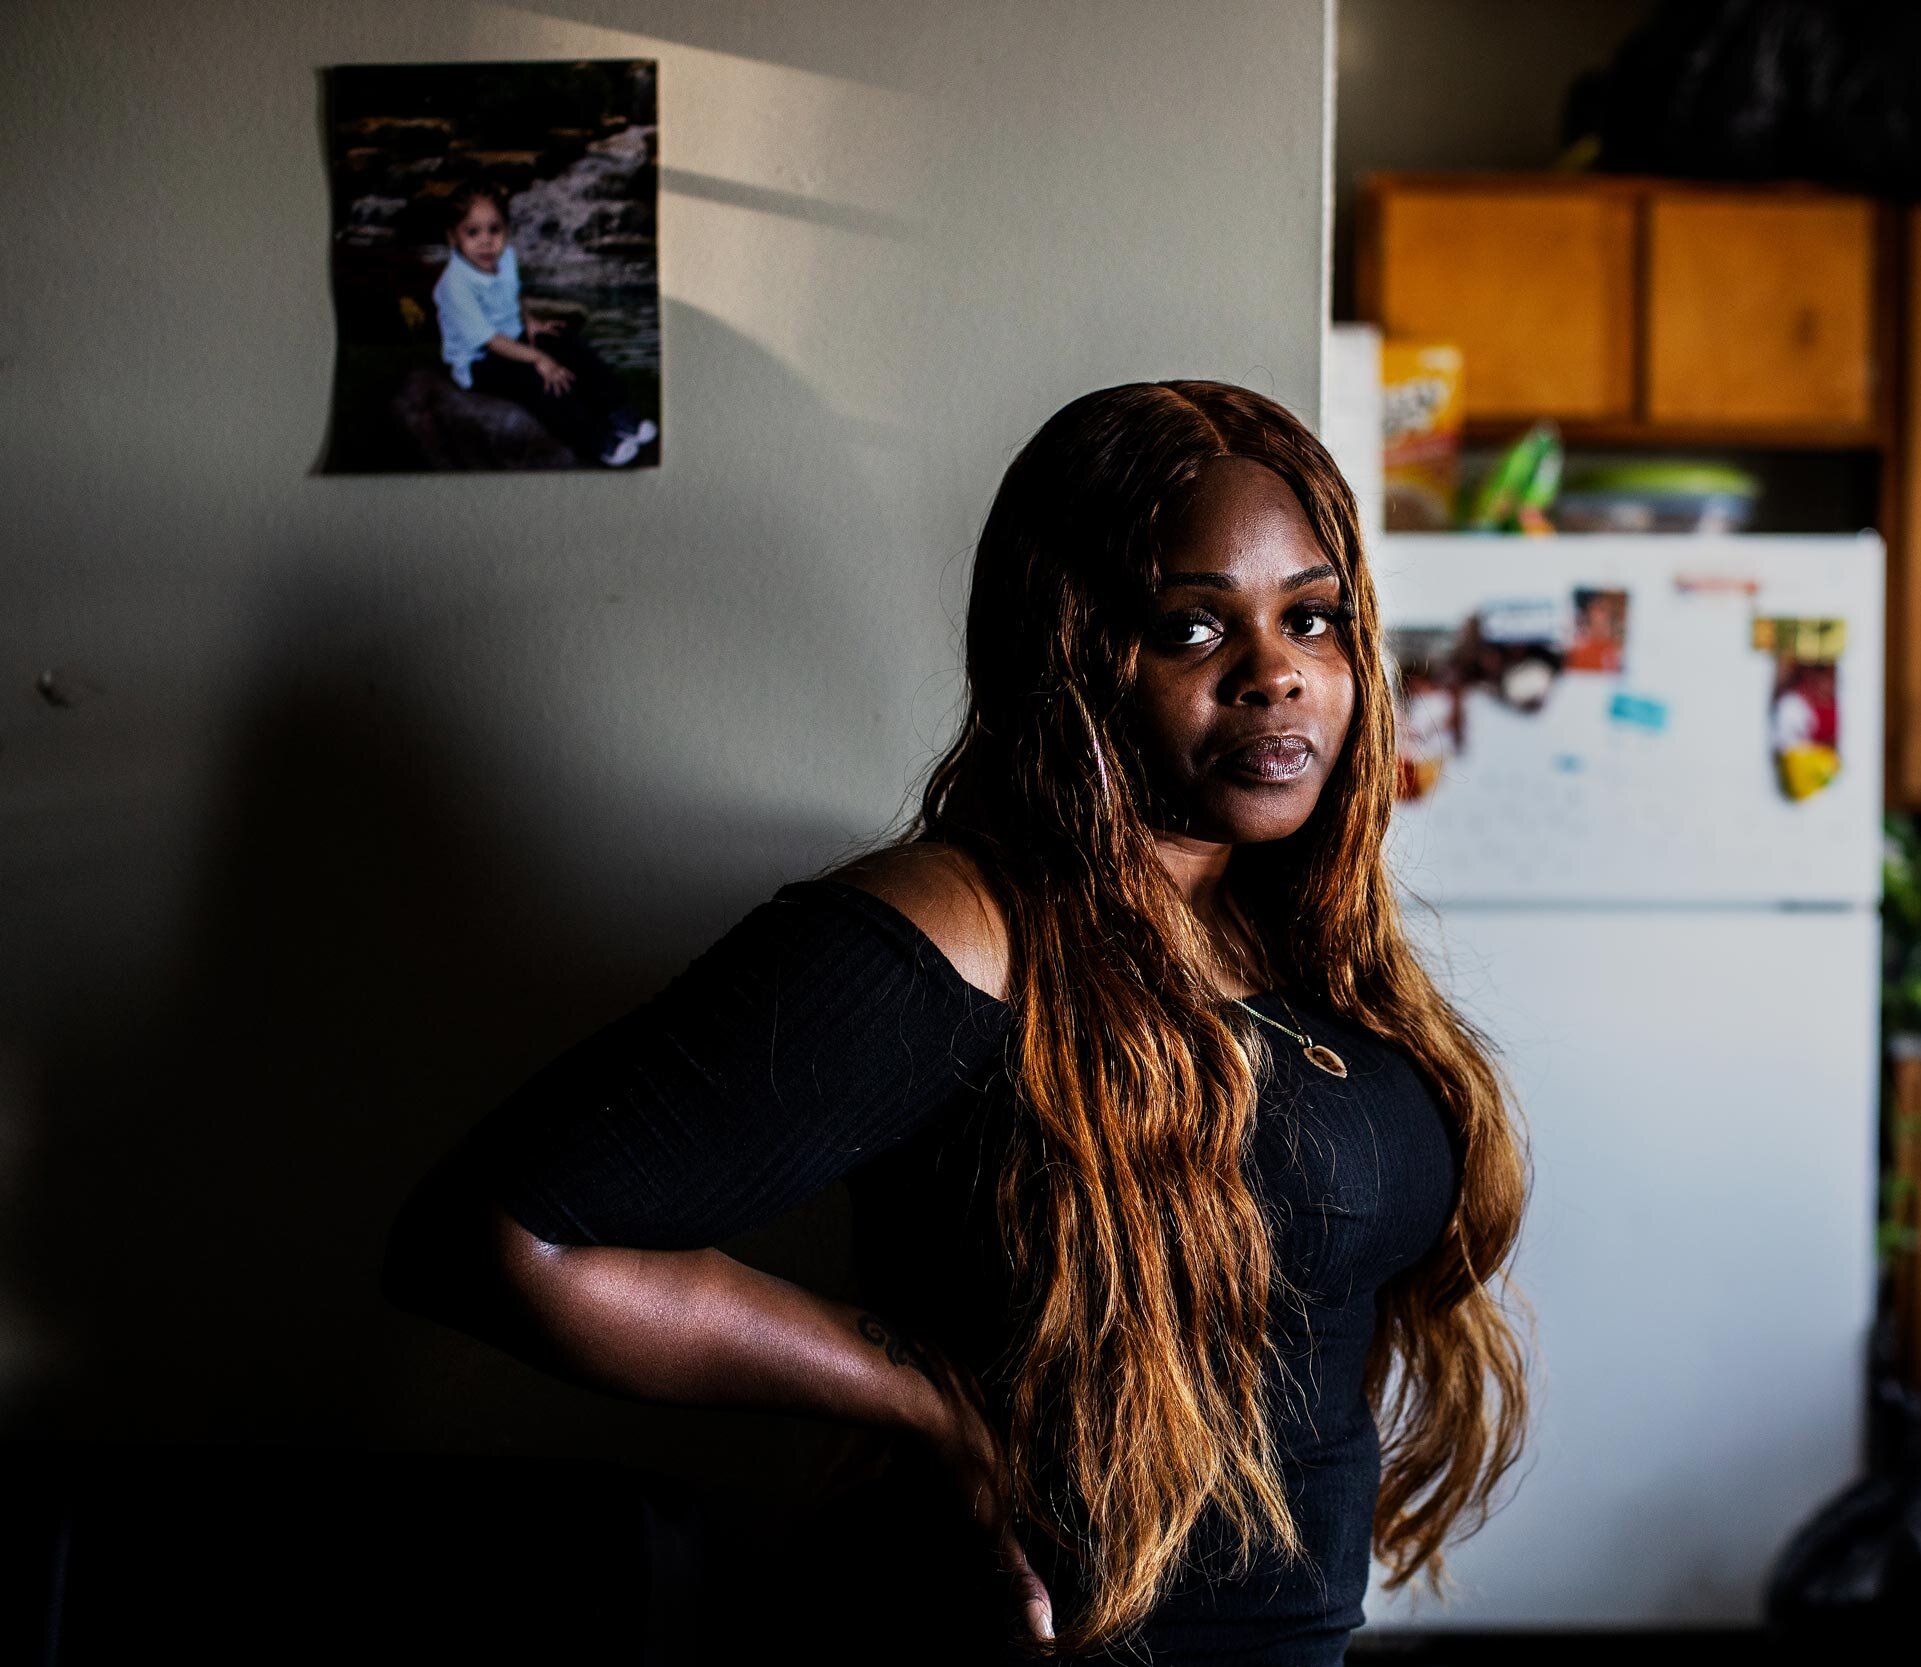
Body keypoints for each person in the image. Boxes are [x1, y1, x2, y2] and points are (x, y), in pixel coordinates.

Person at [382, 380, 1531, 1663]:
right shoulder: (967, 924)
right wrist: (923, 1402)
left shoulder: (1295, 926)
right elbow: (496, 1235)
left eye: (1309, 619)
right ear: (1072, 655)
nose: (1276, 674)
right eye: (1192, 628)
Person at [431, 182, 656, 468]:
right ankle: (595, 439)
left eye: (495, 229)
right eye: (472, 232)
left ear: (507, 231)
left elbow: (512, 294)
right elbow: (490, 340)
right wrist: (540, 358)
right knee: (540, 380)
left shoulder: (505, 258)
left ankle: (616, 411)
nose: (486, 241)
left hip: (516, 337)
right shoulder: (455, 285)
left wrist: (531, 322)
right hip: (480, 360)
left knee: (567, 342)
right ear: (453, 238)